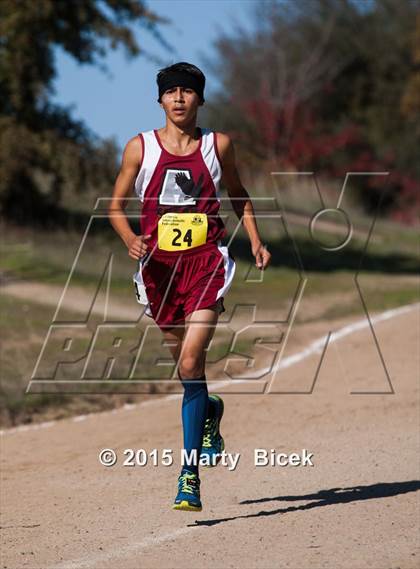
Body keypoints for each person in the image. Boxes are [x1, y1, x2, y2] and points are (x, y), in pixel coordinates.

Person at [108, 61, 271, 512]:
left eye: (188, 91)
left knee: (193, 356)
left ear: (200, 99)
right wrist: (129, 239)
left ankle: (189, 475)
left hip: (206, 264)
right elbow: (116, 207)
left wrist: (255, 239)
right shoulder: (139, 148)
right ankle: (208, 409)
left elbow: (238, 195)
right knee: (186, 368)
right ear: (159, 99)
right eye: (171, 91)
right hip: (158, 270)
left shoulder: (218, 146)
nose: (179, 98)